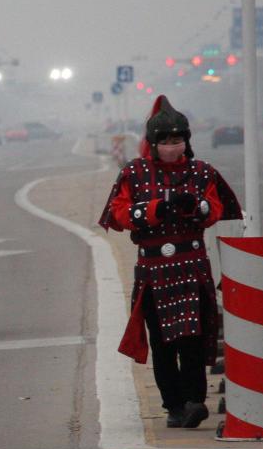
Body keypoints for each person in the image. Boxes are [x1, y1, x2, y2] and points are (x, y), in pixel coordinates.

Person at [98, 95, 242, 429]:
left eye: (177, 140)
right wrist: (151, 210)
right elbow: (117, 215)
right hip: (153, 271)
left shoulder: (202, 172)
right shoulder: (133, 173)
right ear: (153, 143)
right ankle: (174, 407)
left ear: (187, 141)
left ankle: (195, 401)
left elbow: (216, 209)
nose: (172, 146)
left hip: (191, 265)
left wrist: (195, 205)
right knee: (163, 342)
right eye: (165, 141)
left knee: (192, 337)